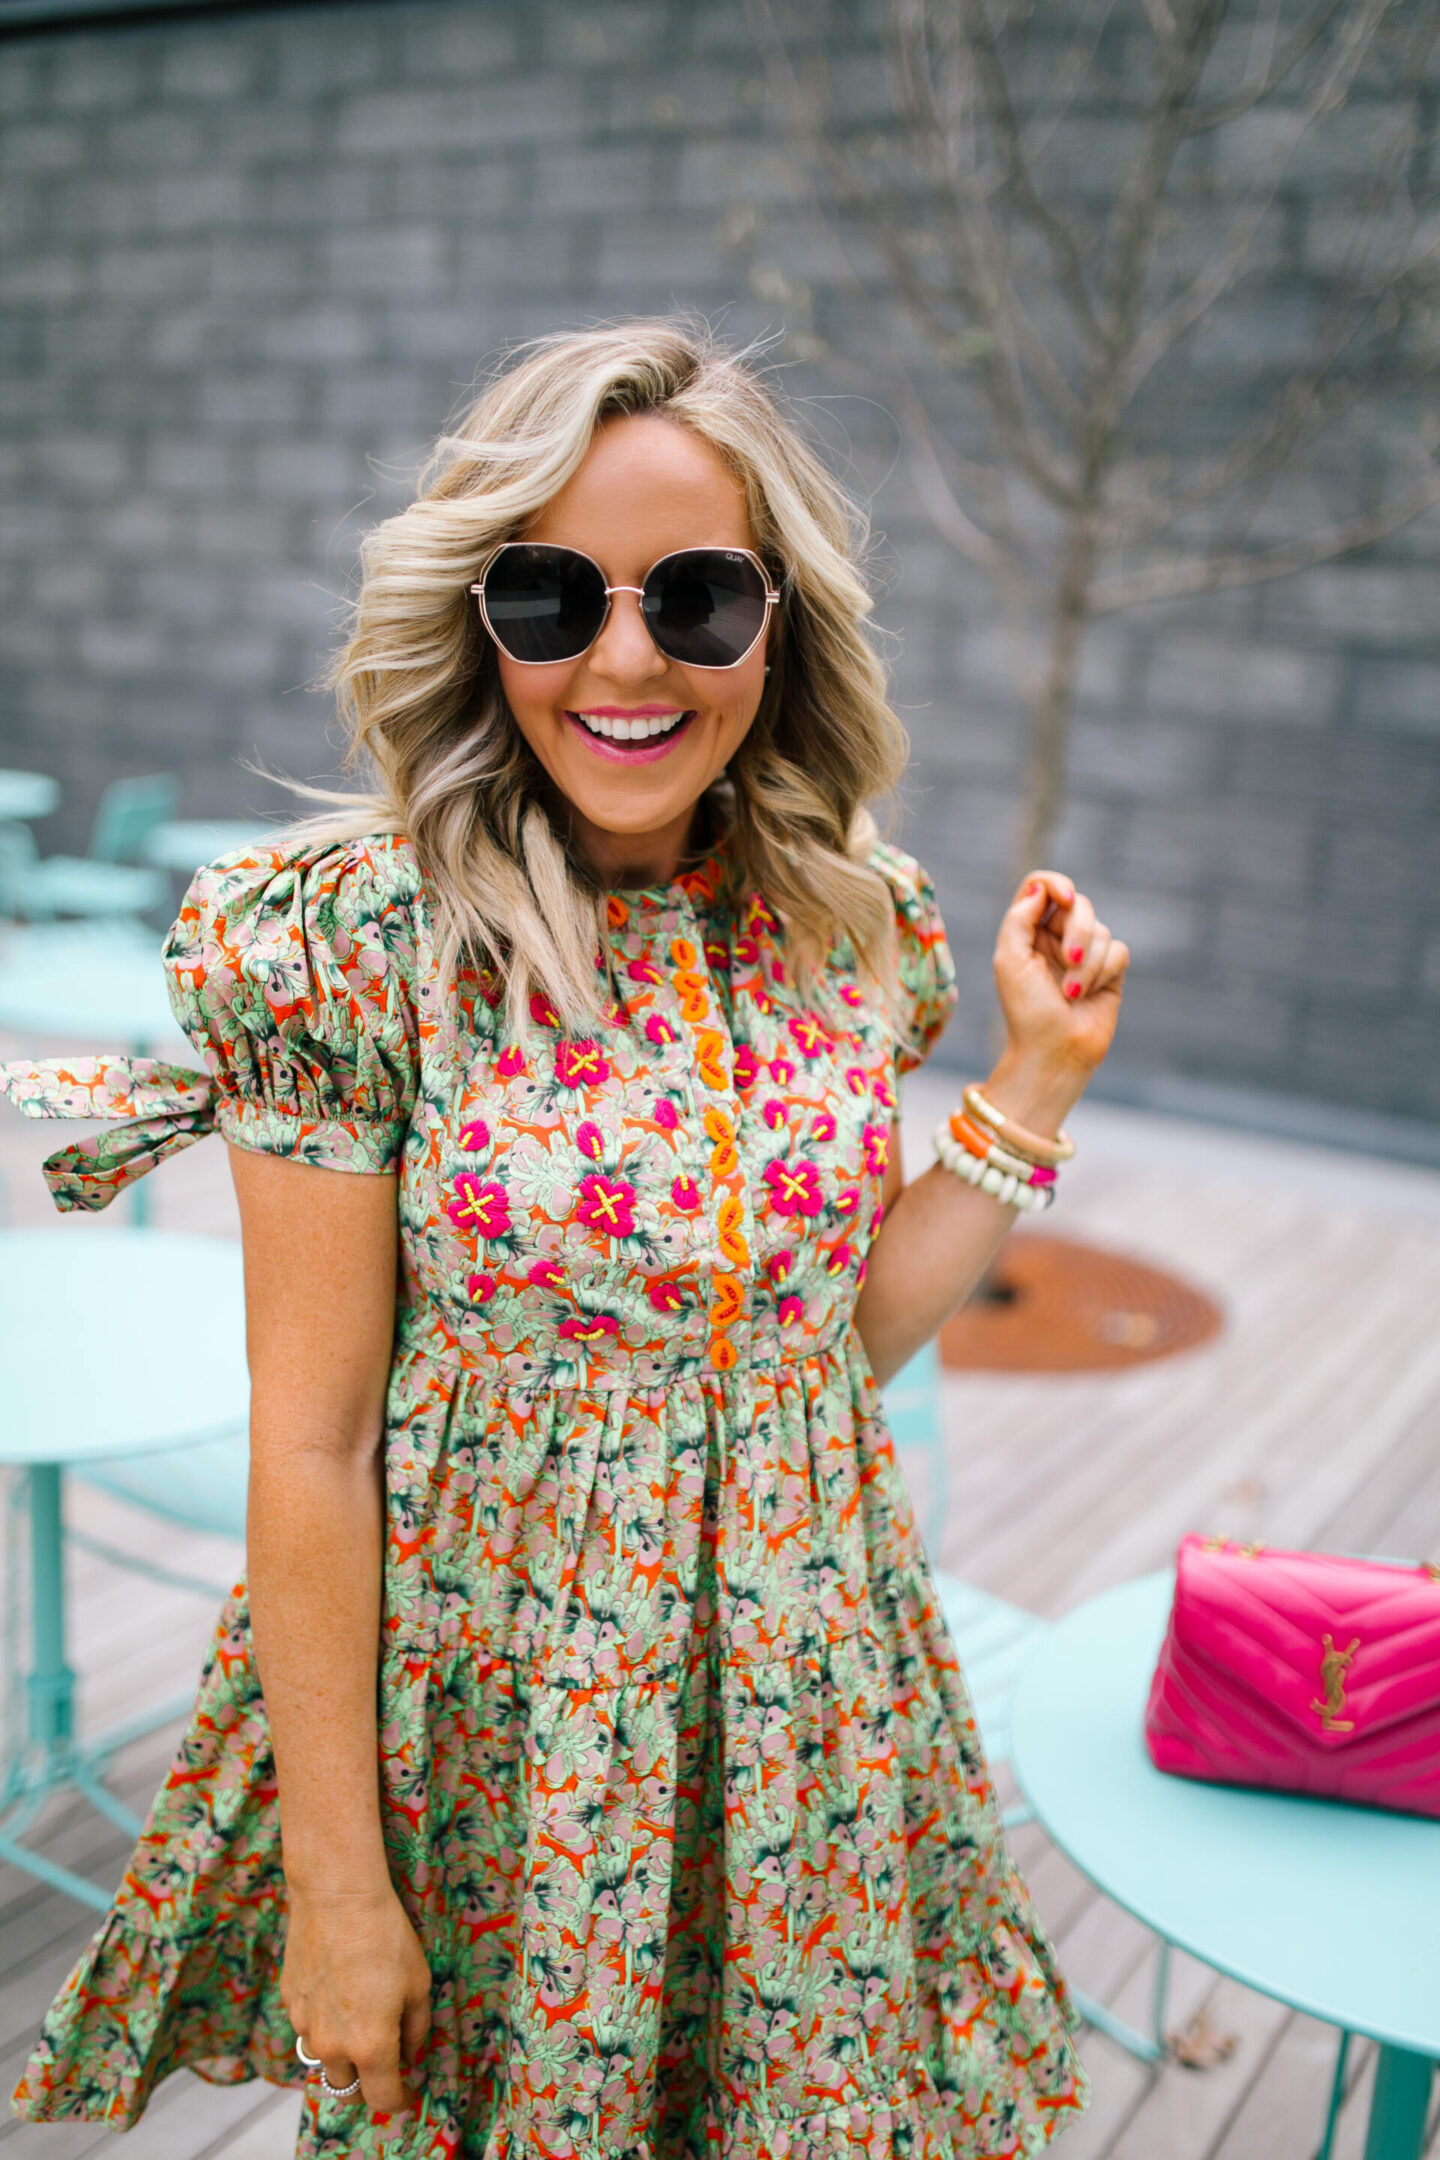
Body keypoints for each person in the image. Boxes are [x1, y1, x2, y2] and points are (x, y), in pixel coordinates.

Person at [7, 320, 1127, 2160]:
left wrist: (1035, 1082)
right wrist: (338, 1887)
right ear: (478, 620)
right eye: (550, 596)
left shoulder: (846, 921)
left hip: (805, 1720)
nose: (624, 660)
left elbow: (817, 1354)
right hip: (504, 1741)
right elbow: (315, 1441)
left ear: (776, 624)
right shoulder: (356, 945)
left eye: (695, 598)